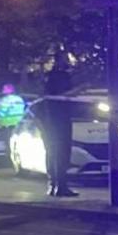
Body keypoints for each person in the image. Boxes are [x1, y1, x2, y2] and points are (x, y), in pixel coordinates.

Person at [41, 52, 75, 197]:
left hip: (49, 119)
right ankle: (60, 185)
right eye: (67, 59)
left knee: (52, 152)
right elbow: (64, 95)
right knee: (62, 151)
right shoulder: (60, 77)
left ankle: (54, 184)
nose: (69, 62)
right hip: (60, 118)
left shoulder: (48, 77)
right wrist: (80, 89)